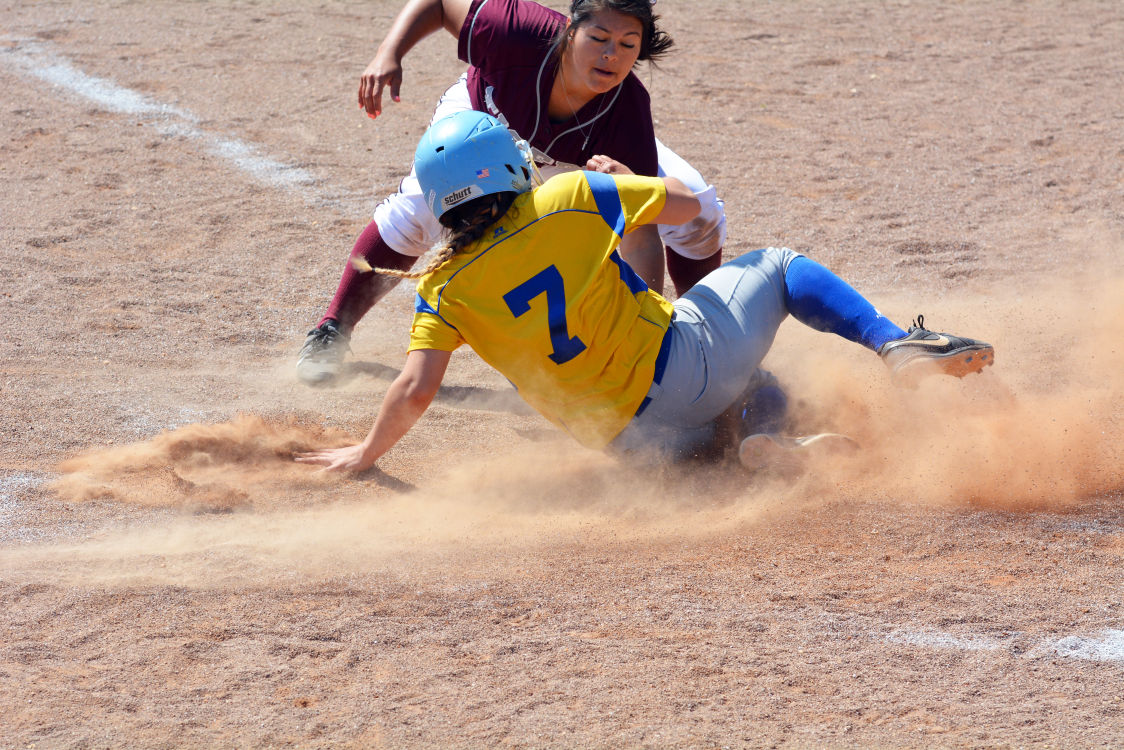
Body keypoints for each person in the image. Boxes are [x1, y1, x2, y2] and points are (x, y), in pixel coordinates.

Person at [295, 111, 995, 474]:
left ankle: (751, 447)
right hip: (683, 373)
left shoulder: (441, 288)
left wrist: (366, 453)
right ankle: (894, 343)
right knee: (778, 266)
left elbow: (414, 390)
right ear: (508, 166)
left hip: (631, 444)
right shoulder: (566, 197)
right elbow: (689, 208)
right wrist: (625, 177)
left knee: (749, 385)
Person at [296, 0, 728, 384]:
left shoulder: (627, 109)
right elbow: (439, 3)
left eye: (628, 44)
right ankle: (333, 328)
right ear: (569, 29)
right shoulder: (516, 30)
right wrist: (388, 53)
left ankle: (701, 340)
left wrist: (643, 333)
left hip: (578, 156)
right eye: (599, 37)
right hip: (482, 126)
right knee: (416, 213)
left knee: (699, 214)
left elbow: (640, 230)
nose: (612, 54)